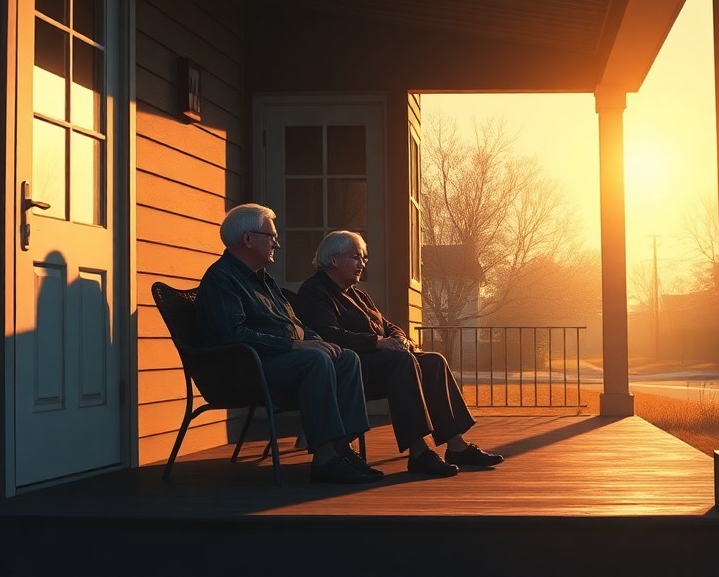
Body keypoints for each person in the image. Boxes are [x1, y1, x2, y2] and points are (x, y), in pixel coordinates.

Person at [194, 204, 381, 484]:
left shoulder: (263, 280)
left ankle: (343, 449)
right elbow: (233, 335)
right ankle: (325, 459)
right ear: (248, 239)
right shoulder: (222, 279)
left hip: (278, 359)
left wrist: (315, 340)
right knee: (315, 361)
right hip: (247, 368)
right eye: (270, 236)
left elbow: (296, 324)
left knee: (345, 357)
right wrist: (294, 346)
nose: (277, 244)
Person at [293, 230, 504, 477]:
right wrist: (377, 342)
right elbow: (328, 335)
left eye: (364, 258)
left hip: (381, 361)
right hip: (351, 367)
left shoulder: (359, 295)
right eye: (355, 257)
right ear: (333, 259)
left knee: (434, 361)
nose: (362, 264)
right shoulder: (315, 291)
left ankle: (456, 445)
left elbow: (387, 324)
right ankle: (418, 452)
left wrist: (399, 338)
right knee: (402, 361)